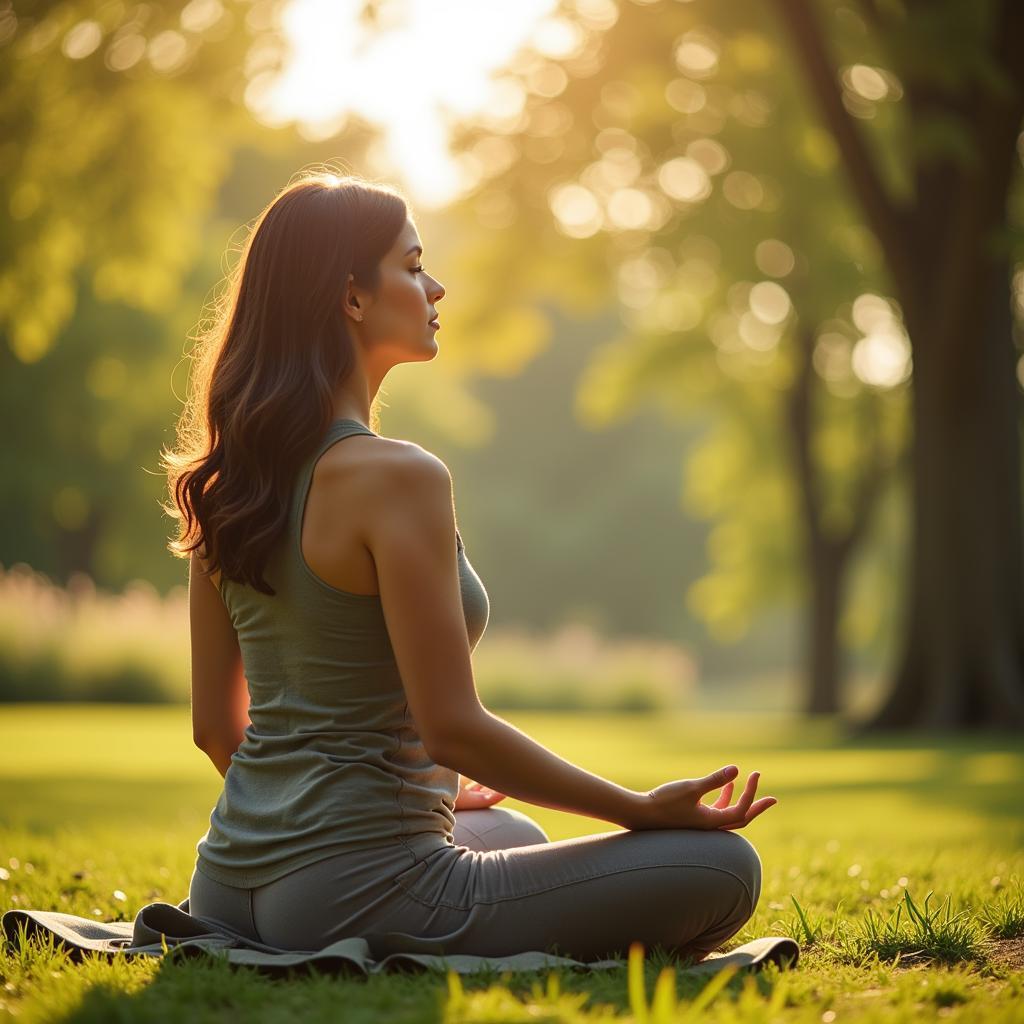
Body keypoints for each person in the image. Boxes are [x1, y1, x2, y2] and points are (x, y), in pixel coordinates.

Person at [162, 169, 778, 961]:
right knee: (724, 868)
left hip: (230, 884)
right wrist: (639, 808)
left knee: (509, 829)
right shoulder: (399, 477)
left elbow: (217, 729)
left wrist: (381, 810)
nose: (437, 287)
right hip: (359, 892)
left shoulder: (226, 479)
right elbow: (453, 727)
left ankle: (345, 875)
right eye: (414, 267)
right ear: (352, 297)